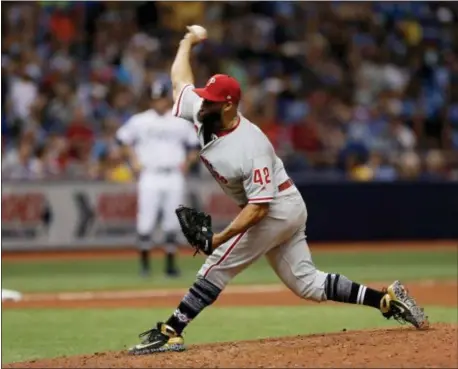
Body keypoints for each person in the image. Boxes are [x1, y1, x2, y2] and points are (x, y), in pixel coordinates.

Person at [128, 28, 428, 355]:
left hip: (276, 208)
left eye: (211, 102)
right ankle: (386, 299)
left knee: (219, 262)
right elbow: (179, 81)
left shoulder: (250, 145)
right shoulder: (204, 110)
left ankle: (172, 329)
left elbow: (259, 208)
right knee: (307, 284)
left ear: (229, 105)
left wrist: (218, 238)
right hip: (280, 203)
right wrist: (187, 42)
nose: (203, 105)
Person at [116, 80, 200, 277]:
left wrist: (187, 163)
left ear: (167, 99)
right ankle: (145, 266)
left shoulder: (179, 120)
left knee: (173, 222)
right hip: (150, 174)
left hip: (173, 175)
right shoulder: (140, 120)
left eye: (161, 98)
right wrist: (134, 161)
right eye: (154, 99)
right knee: (145, 221)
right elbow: (122, 139)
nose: (158, 102)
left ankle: (170, 267)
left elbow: (194, 145)